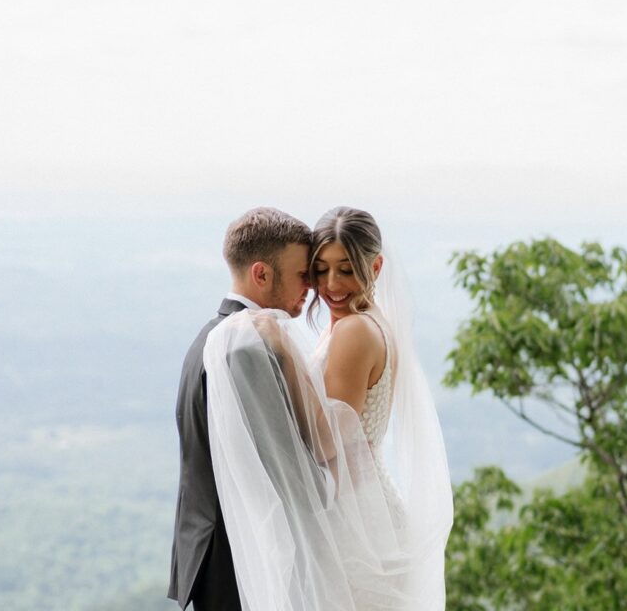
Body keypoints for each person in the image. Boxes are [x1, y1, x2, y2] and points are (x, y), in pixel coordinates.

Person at [204, 206, 453, 610]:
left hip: (357, 523)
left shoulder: (354, 331)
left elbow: (325, 442)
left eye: (347, 269)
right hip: (354, 506)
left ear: (376, 266)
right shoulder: (359, 322)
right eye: (320, 270)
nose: (331, 285)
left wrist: (285, 351)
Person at [167, 206, 312, 611]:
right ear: (262, 274)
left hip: (212, 551)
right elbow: (284, 461)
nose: (312, 287)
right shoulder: (246, 345)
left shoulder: (210, 335)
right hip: (236, 560)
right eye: (303, 274)